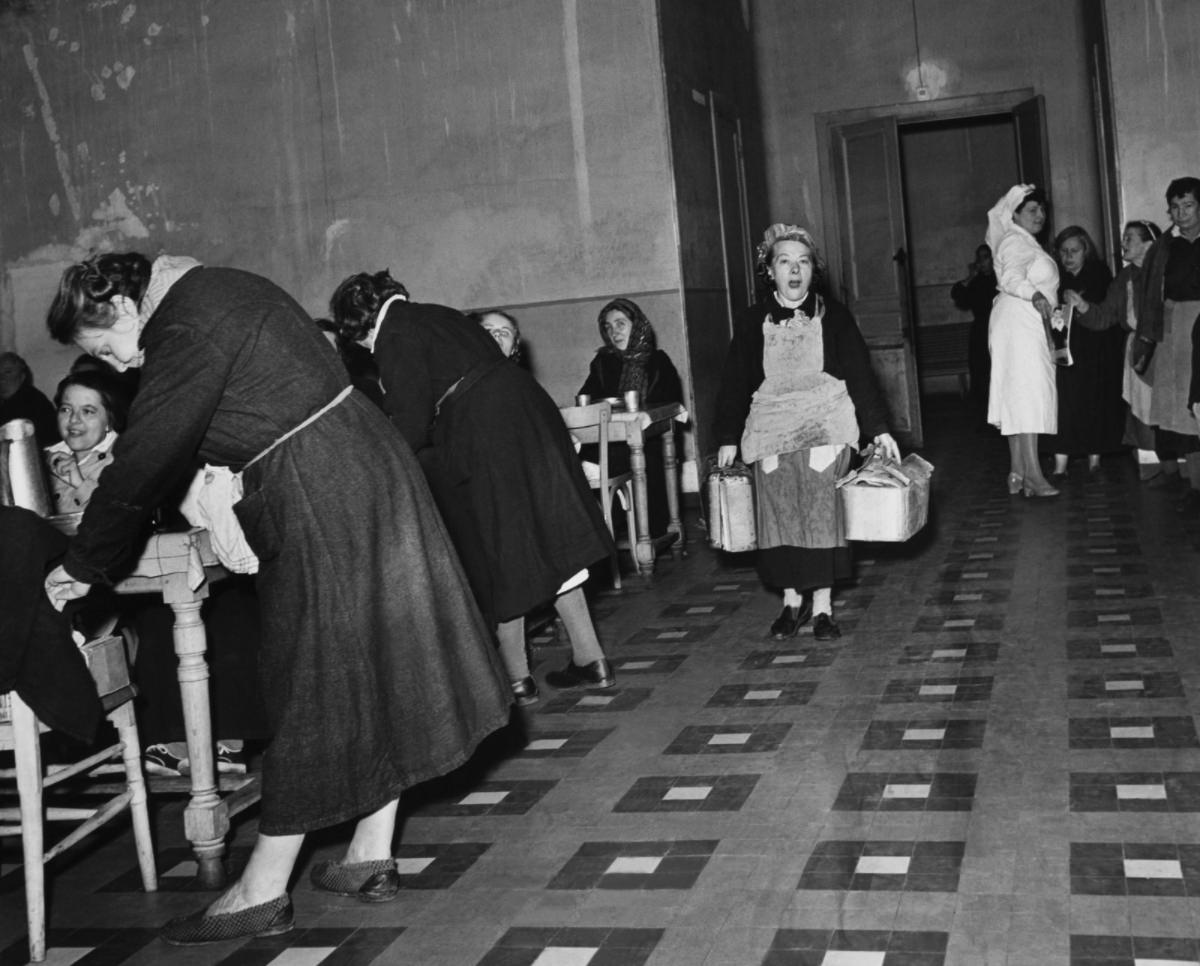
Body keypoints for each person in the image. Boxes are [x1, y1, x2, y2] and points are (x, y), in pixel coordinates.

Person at [43, 253, 511, 945]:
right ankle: (369, 851)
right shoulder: (216, 287)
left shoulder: (183, 323)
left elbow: (146, 453)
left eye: (103, 349)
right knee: (376, 660)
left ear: (117, 309)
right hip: (362, 465)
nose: (114, 365)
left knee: (308, 679)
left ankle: (262, 888)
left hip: (321, 486)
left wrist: (83, 562)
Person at [330, 272, 616, 707]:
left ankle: (516, 678)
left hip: (489, 432)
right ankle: (591, 659)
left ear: (361, 324)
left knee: (497, 548)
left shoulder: (394, 334)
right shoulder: (435, 314)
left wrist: (383, 468)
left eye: (360, 342)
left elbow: (411, 418)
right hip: (528, 416)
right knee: (549, 538)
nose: (367, 350)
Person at [714, 223, 898, 641]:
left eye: (803, 262)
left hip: (826, 421)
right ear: (770, 270)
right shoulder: (750, 321)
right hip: (771, 426)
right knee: (779, 515)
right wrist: (727, 436)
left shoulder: (835, 317)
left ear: (814, 270)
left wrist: (879, 429)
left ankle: (823, 608)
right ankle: (792, 600)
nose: (794, 271)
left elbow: (859, 375)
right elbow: (733, 382)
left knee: (820, 515)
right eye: (784, 262)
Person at [1066, 220, 1167, 483]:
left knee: (1170, 411)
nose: (1123, 243)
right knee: (1142, 412)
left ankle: (1183, 471)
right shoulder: (1124, 278)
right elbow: (1105, 316)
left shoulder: (1167, 271)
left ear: (1149, 243)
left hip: (1166, 350)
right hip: (1138, 351)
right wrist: (1084, 307)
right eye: (1123, 237)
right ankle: (1153, 471)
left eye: (1129, 238)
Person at [577, 297, 684, 538]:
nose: (614, 332)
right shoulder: (603, 363)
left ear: (637, 325)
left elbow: (670, 402)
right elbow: (586, 397)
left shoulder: (658, 361)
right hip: (608, 441)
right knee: (582, 460)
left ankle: (641, 531)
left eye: (620, 324)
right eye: (608, 327)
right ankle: (600, 532)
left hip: (648, 442)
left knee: (631, 457)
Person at [985, 184, 1060, 497]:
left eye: (1042, 210)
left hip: (1022, 321)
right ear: (1014, 215)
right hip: (1020, 321)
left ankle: (1018, 471)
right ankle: (1033, 476)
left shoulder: (1023, 241)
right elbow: (1011, 278)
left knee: (1019, 395)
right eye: (1032, 210)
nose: (1040, 215)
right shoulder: (1015, 241)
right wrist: (1037, 295)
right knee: (1027, 396)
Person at [1136, 177, 1200, 515]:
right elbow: (1150, 292)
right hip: (1173, 327)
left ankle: (1196, 481)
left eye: (1188, 205)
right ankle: (1181, 476)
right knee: (1174, 404)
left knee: (1197, 402)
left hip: (1199, 323)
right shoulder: (1165, 246)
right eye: (1175, 207)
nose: (1181, 213)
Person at [1043, 225, 1118, 478]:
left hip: (1094, 348)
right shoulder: (1056, 278)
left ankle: (1093, 458)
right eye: (1063, 251)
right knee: (1064, 404)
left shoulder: (1099, 273)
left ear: (1086, 250)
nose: (1068, 256)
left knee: (1093, 402)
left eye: (1074, 250)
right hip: (1065, 348)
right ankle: (1060, 463)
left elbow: (1105, 313)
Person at [950, 244, 997, 423]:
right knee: (980, 375)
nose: (982, 262)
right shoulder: (976, 282)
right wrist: (970, 276)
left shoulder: (1002, 280)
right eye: (979, 258)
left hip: (999, 331)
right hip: (980, 334)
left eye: (986, 257)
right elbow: (959, 296)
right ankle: (983, 418)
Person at [0, 350, 59, 447]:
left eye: (8, 372)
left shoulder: (32, 402)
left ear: (22, 376)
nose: (1, 378)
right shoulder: (8, 401)